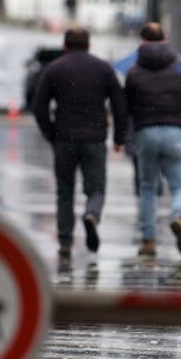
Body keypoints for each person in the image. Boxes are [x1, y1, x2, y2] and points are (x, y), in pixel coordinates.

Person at [32, 28, 127, 257]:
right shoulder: (103, 68)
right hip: (94, 138)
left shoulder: (54, 69)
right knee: (96, 189)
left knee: (65, 191)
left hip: (64, 138)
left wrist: (50, 133)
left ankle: (65, 240)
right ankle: (92, 214)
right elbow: (119, 104)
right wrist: (119, 138)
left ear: (65, 46)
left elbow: (38, 106)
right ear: (88, 45)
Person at [124, 22, 181, 257]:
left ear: (143, 41)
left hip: (145, 132)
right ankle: (179, 216)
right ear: (165, 39)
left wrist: (125, 136)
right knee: (179, 185)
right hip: (175, 130)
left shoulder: (134, 71)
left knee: (147, 187)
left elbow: (126, 105)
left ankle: (149, 240)